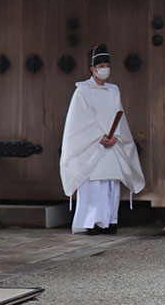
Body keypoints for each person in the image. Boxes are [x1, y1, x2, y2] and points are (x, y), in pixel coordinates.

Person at [59, 44, 144, 235]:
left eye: (107, 64)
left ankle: (110, 221)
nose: (105, 69)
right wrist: (99, 137)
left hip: (112, 143)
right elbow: (80, 121)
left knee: (110, 185)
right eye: (101, 65)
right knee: (93, 186)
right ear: (92, 69)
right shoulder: (82, 91)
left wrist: (116, 137)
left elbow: (119, 116)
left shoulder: (114, 90)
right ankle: (91, 222)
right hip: (93, 145)